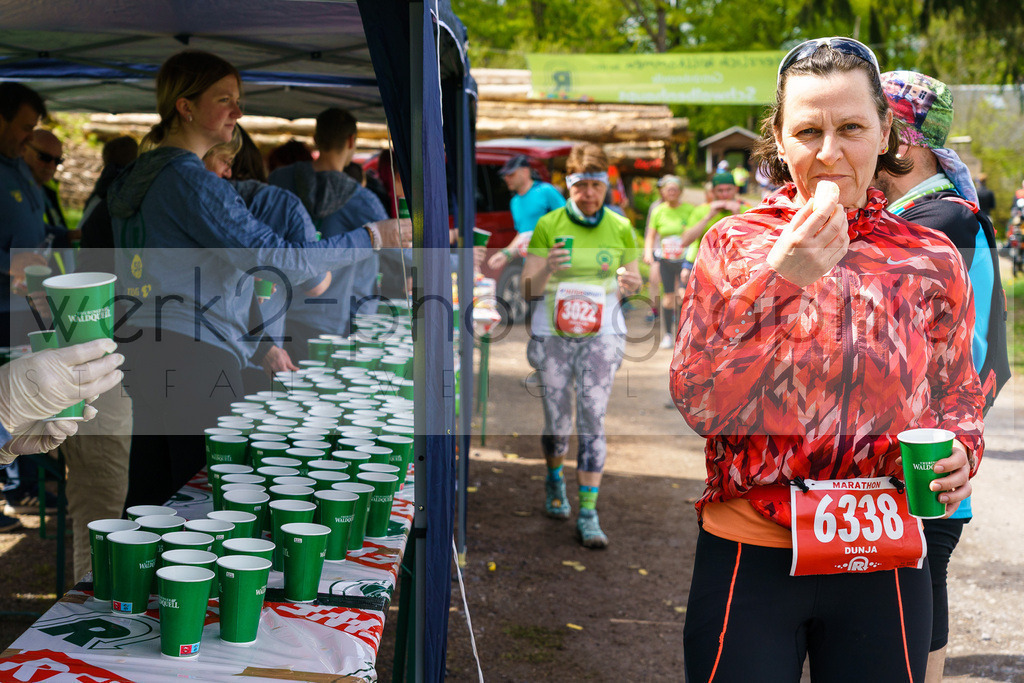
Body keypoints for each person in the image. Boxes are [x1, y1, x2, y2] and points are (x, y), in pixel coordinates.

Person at [671, 38, 985, 681]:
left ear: (885, 134)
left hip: (885, 548)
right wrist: (779, 281)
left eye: (851, 128)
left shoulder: (932, 255)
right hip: (752, 545)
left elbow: (959, 392)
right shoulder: (733, 244)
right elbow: (699, 400)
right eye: (808, 130)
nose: (829, 152)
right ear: (779, 141)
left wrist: (961, 449)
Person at [106, 50, 409, 508]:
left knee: (151, 491)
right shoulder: (189, 180)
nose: (238, 111)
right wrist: (374, 235)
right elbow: (279, 259)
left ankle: (126, 579)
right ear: (184, 107)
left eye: (238, 99)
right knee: (203, 497)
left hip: (145, 344)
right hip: (195, 352)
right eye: (224, 98)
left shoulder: (142, 176)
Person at [875, 69, 1011, 683]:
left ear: (902, 138)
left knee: (912, 602)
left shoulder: (939, 223)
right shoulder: (933, 214)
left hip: (925, 453)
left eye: (870, 124)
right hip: (923, 451)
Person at [521, 143, 642, 549]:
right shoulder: (548, 225)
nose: (589, 194)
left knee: (592, 417)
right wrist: (547, 271)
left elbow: (635, 276)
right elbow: (527, 288)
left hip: (602, 333)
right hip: (552, 333)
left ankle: (588, 513)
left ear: (607, 185)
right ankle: (555, 479)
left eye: (596, 185)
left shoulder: (620, 226)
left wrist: (633, 284)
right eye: (581, 186)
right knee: (558, 421)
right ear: (568, 185)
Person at [268, 107, 386, 348]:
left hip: (275, 309)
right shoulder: (361, 200)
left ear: (315, 139)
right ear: (351, 141)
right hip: (325, 315)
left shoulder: (279, 180)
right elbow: (399, 246)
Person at [675, 171, 754, 294]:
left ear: (736, 189)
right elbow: (685, 241)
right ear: (713, 192)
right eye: (720, 191)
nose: (725, 194)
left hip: (735, 269)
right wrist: (709, 216)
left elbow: (752, 243)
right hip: (705, 269)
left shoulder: (746, 210)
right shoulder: (702, 210)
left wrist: (737, 215)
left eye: (729, 190)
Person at [487, 155, 565, 273]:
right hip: (529, 265)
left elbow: (566, 220)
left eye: (511, 174)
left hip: (552, 264)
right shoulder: (515, 202)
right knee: (529, 291)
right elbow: (522, 233)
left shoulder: (546, 191)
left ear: (525, 171)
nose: (506, 179)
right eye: (505, 175)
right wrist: (505, 254)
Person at [642, 175, 694, 349]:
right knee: (668, 297)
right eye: (668, 189)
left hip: (684, 259)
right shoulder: (658, 210)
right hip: (665, 259)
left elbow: (695, 233)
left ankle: (681, 334)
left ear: (680, 192)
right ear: (663, 192)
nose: (671, 192)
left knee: (682, 296)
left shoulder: (689, 209)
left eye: (674, 189)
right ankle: (668, 334)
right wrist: (648, 253)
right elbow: (651, 235)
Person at [22, 129, 73, 246]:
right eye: (44, 157)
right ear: (23, 149)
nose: (51, 166)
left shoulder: (46, 189)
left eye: (58, 161)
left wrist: (66, 235)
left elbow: (35, 230)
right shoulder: (7, 188)